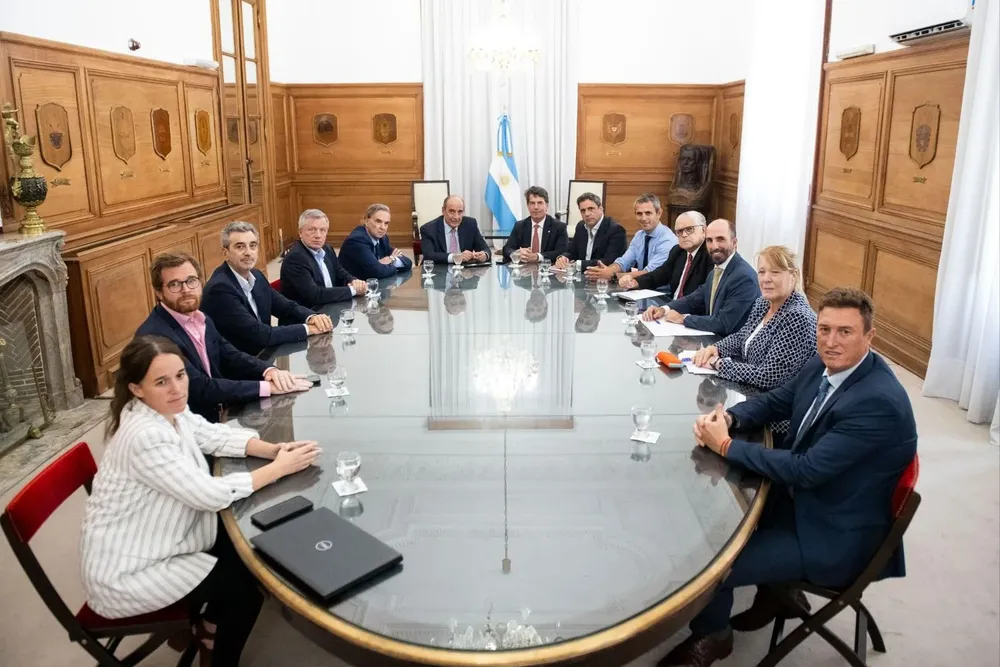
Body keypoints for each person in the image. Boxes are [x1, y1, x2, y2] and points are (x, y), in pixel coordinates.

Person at [657, 288, 917, 667]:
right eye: (824, 329)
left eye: (845, 332)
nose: (831, 341)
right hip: (808, 499)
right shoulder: (823, 363)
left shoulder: (877, 402)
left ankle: (713, 636)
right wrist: (731, 418)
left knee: (711, 560)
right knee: (708, 514)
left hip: (833, 532)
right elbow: (778, 400)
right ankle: (776, 596)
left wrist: (727, 446)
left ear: (869, 337)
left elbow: (805, 469)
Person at [80, 335, 321, 667]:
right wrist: (279, 469)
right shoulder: (145, 435)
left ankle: (208, 627)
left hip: (159, 538)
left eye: (180, 376)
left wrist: (273, 451)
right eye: (161, 382)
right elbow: (208, 494)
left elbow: (212, 434)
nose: (177, 389)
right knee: (245, 589)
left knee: (248, 548)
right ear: (137, 388)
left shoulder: (165, 410)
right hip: (129, 571)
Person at [136, 252, 312, 421]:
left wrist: (269, 371)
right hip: (186, 426)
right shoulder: (156, 337)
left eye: (191, 281)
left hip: (217, 413)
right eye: (175, 284)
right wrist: (266, 387)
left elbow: (230, 354)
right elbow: (201, 387)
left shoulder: (200, 317)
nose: (186, 290)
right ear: (159, 292)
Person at [691, 246, 817, 430]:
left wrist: (717, 364)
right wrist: (715, 348)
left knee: (710, 428)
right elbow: (744, 336)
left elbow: (768, 376)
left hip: (777, 419)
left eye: (775, 272)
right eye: (762, 272)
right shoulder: (763, 303)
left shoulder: (797, 317)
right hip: (751, 399)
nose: (766, 279)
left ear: (793, 275)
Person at [201, 221, 334, 356]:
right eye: (240, 247)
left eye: (252, 246)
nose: (248, 252)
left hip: (263, 354)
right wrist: (308, 329)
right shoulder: (220, 289)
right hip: (238, 365)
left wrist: (311, 317)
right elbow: (260, 334)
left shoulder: (257, 276)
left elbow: (286, 306)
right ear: (225, 253)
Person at [642, 218, 759, 336]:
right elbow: (693, 300)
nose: (714, 246)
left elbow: (723, 323)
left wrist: (683, 319)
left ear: (734, 242)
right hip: (712, 342)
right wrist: (663, 309)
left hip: (731, 350)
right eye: (709, 240)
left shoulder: (744, 277)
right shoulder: (717, 270)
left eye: (720, 239)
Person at [280, 209, 368, 307]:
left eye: (322, 230)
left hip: (330, 307)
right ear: (300, 232)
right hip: (308, 315)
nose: (318, 236)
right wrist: (353, 290)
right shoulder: (295, 258)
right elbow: (315, 295)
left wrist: (353, 281)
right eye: (312, 230)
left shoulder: (327, 248)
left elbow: (340, 273)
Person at [584, 193, 677, 281]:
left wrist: (613, 276)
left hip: (661, 293)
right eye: (639, 214)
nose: (643, 218)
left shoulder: (667, 240)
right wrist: (607, 271)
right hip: (639, 289)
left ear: (659, 213)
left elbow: (649, 273)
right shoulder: (639, 235)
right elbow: (623, 262)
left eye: (648, 213)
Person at [617, 210, 711, 298]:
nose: (684, 235)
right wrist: (636, 282)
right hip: (671, 305)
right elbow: (660, 274)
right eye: (679, 231)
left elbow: (703, 294)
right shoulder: (678, 251)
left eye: (689, 229)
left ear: (703, 230)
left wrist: (669, 308)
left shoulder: (711, 255)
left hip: (691, 311)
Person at [554, 192, 627, 271]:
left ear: (601, 209)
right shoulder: (581, 226)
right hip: (580, 276)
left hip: (603, 278)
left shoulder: (616, 229)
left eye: (591, 209)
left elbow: (610, 260)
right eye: (583, 210)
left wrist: (578, 264)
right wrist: (563, 258)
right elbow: (571, 251)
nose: (587, 214)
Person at [339, 203, 414, 279]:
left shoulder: (383, 238)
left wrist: (392, 259)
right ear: (367, 221)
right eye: (378, 221)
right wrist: (383, 265)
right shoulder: (357, 240)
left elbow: (408, 263)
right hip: (354, 288)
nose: (383, 227)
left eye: (386, 223)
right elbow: (377, 272)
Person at [501, 186, 569, 264]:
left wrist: (538, 257)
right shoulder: (520, 225)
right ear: (528, 206)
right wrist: (516, 253)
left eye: (540, 203)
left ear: (546, 206)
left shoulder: (559, 227)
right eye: (532, 203)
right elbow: (507, 248)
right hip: (524, 270)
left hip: (548, 270)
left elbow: (562, 251)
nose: (536, 207)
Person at [419, 195, 490, 265]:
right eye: (452, 211)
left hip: (464, 273)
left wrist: (484, 255)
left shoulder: (470, 224)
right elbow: (429, 256)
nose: (456, 217)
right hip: (438, 271)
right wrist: (456, 257)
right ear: (443, 211)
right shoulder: (428, 229)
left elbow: (485, 248)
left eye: (460, 212)